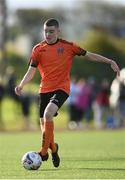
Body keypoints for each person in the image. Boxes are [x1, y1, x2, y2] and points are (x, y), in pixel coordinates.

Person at [15, 18, 120, 168]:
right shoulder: (38, 49)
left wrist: (109, 61)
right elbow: (31, 71)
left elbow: (89, 55)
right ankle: (54, 149)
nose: (48, 34)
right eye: (46, 31)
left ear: (58, 31)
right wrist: (21, 85)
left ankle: (43, 152)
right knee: (45, 130)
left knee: (48, 114)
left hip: (62, 88)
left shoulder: (69, 47)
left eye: (51, 31)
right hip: (44, 90)